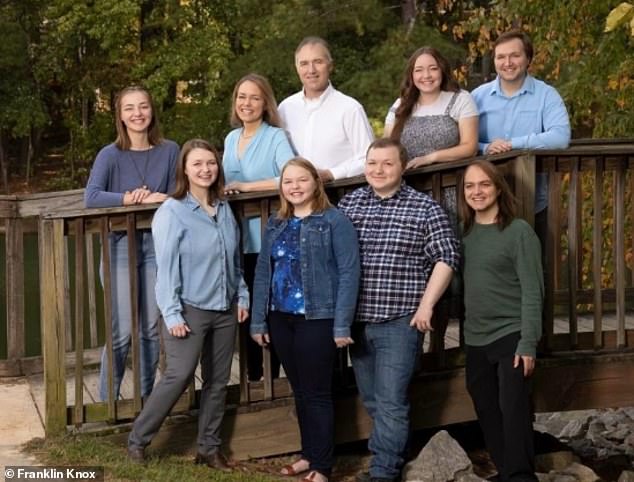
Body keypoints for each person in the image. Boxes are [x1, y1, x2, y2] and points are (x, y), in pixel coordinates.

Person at [338, 138, 460, 482]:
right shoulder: (350, 204)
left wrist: (426, 305)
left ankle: (383, 472)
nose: (378, 170)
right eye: (372, 163)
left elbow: (447, 257)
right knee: (373, 399)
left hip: (400, 322)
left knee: (391, 400)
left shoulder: (424, 208)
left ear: (402, 166)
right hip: (358, 323)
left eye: (387, 163)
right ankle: (394, 454)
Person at [127, 139, 249, 468]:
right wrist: (171, 313)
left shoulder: (224, 208)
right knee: (178, 375)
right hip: (189, 309)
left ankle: (208, 448)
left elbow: (232, 259)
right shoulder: (172, 211)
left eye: (210, 163)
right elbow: (165, 269)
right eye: (197, 164)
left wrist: (242, 294)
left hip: (225, 308)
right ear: (184, 169)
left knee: (218, 382)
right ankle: (138, 440)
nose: (205, 169)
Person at [250, 158, 360, 482]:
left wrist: (342, 324)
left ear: (315, 182)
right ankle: (308, 454)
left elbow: (349, 273)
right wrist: (258, 321)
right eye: (288, 182)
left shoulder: (334, 220)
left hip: (318, 317)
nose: (295, 187)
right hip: (281, 318)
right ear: (281, 188)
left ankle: (322, 466)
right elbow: (262, 274)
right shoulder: (276, 223)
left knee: (317, 393)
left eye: (301, 180)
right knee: (299, 391)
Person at [84, 85, 179, 402]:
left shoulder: (170, 151)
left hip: (156, 247)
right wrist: (128, 199)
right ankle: (108, 404)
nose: (137, 113)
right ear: (120, 116)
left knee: (151, 330)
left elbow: (180, 192)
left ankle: (143, 402)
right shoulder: (110, 155)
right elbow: (92, 196)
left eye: (143, 106)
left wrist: (160, 197)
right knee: (122, 332)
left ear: (152, 110)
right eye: (129, 108)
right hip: (119, 248)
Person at [459, 160, 543, 481]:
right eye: (470, 186)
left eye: (484, 184)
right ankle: (507, 470)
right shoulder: (465, 234)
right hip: (476, 338)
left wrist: (528, 342)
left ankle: (521, 475)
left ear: (497, 188)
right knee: (487, 410)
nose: (476, 191)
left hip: (512, 333)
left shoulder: (518, 231)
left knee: (514, 410)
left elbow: (533, 291)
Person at [223, 73, 295, 382]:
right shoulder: (230, 139)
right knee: (246, 309)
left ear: (265, 103)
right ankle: (254, 379)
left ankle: (278, 379)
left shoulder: (276, 136)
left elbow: (289, 175)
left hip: (271, 238)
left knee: (273, 309)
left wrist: (247, 186)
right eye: (241, 96)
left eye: (254, 97)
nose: (246, 103)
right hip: (236, 241)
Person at [471, 30, 570, 227]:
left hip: (535, 204)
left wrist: (512, 145)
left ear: (528, 59)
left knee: (538, 258)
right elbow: (461, 139)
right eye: (501, 57)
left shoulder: (546, 95)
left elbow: (561, 137)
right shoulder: (477, 97)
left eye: (515, 55)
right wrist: (486, 148)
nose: (507, 63)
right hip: (484, 205)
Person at [279, 36, 374, 182]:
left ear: (330, 66)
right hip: (294, 198)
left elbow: (369, 159)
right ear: (297, 68)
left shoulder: (350, 108)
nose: (311, 70)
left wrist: (331, 174)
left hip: (340, 195)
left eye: (318, 62)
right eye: (304, 63)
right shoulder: (285, 109)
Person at [385, 46, 478, 169]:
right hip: (406, 182)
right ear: (411, 75)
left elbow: (470, 147)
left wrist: (430, 158)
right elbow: (385, 147)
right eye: (419, 70)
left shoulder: (461, 99)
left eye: (433, 69)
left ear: (442, 71)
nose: (426, 75)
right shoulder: (400, 104)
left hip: (448, 181)